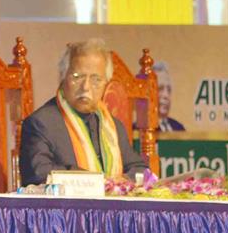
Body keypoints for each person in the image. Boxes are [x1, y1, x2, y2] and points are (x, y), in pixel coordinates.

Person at [19, 39, 148, 186]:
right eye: (77, 77)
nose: (86, 87)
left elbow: (141, 170)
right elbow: (38, 175)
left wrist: (122, 181)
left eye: (96, 79)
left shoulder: (114, 127)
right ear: (62, 78)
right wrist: (94, 181)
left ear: (106, 83)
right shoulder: (41, 123)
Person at [152, 60, 185, 131]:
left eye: (169, 90)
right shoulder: (138, 130)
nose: (166, 95)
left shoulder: (179, 128)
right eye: (160, 89)